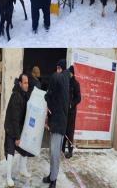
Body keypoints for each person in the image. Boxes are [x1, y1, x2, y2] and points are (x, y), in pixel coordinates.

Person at [43, 59, 70, 188]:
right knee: (51, 153)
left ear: (61, 69)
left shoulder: (62, 79)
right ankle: (51, 175)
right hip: (56, 122)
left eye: (58, 68)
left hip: (59, 124)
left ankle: (54, 180)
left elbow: (56, 79)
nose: (56, 71)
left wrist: (47, 96)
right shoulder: (63, 81)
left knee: (55, 154)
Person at [4, 74, 33, 187]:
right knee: (10, 152)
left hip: (18, 127)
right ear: (20, 84)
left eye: (27, 83)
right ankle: (8, 177)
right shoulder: (17, 96)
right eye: (25, 83)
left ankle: (22, 169)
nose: (27, 85)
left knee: (24, 149)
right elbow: (15, 118)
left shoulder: (24, 94)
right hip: (11, 127)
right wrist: (17, 137)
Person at [63, 65, 81, 159]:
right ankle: (62, 149)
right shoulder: (66, 82)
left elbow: (79, 98)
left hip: (72, 112)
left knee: (70, 132)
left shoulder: (76, 84)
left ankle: (70, 151)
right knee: (63, 130)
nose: (68, 74)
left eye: (69, 73)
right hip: (65, 111)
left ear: (72, 73)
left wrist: (71, 104)